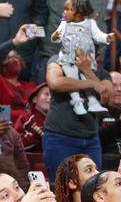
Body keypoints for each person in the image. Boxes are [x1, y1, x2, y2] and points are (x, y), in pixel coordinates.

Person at [44, 48, 112, 178]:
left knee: (93, 187)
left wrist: (87, 71)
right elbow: (54, 83)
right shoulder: (57, 60)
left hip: (91, 139)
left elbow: (109, 96)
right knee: (62, 186)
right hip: (61, 137)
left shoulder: (101, 72)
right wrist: (91, 83)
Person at [52, 0, 110, 116]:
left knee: (84, 76)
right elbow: (55, 84)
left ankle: (93, 102)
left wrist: (106, 37)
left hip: (85, 59)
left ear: (79, 14)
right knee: (72, 75)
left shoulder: (90, 24)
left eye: (68, 9)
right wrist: (55, 37)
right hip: (68, 59)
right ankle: (77, 101)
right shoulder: (64, 24)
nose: (64, 12)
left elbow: (108, 96)